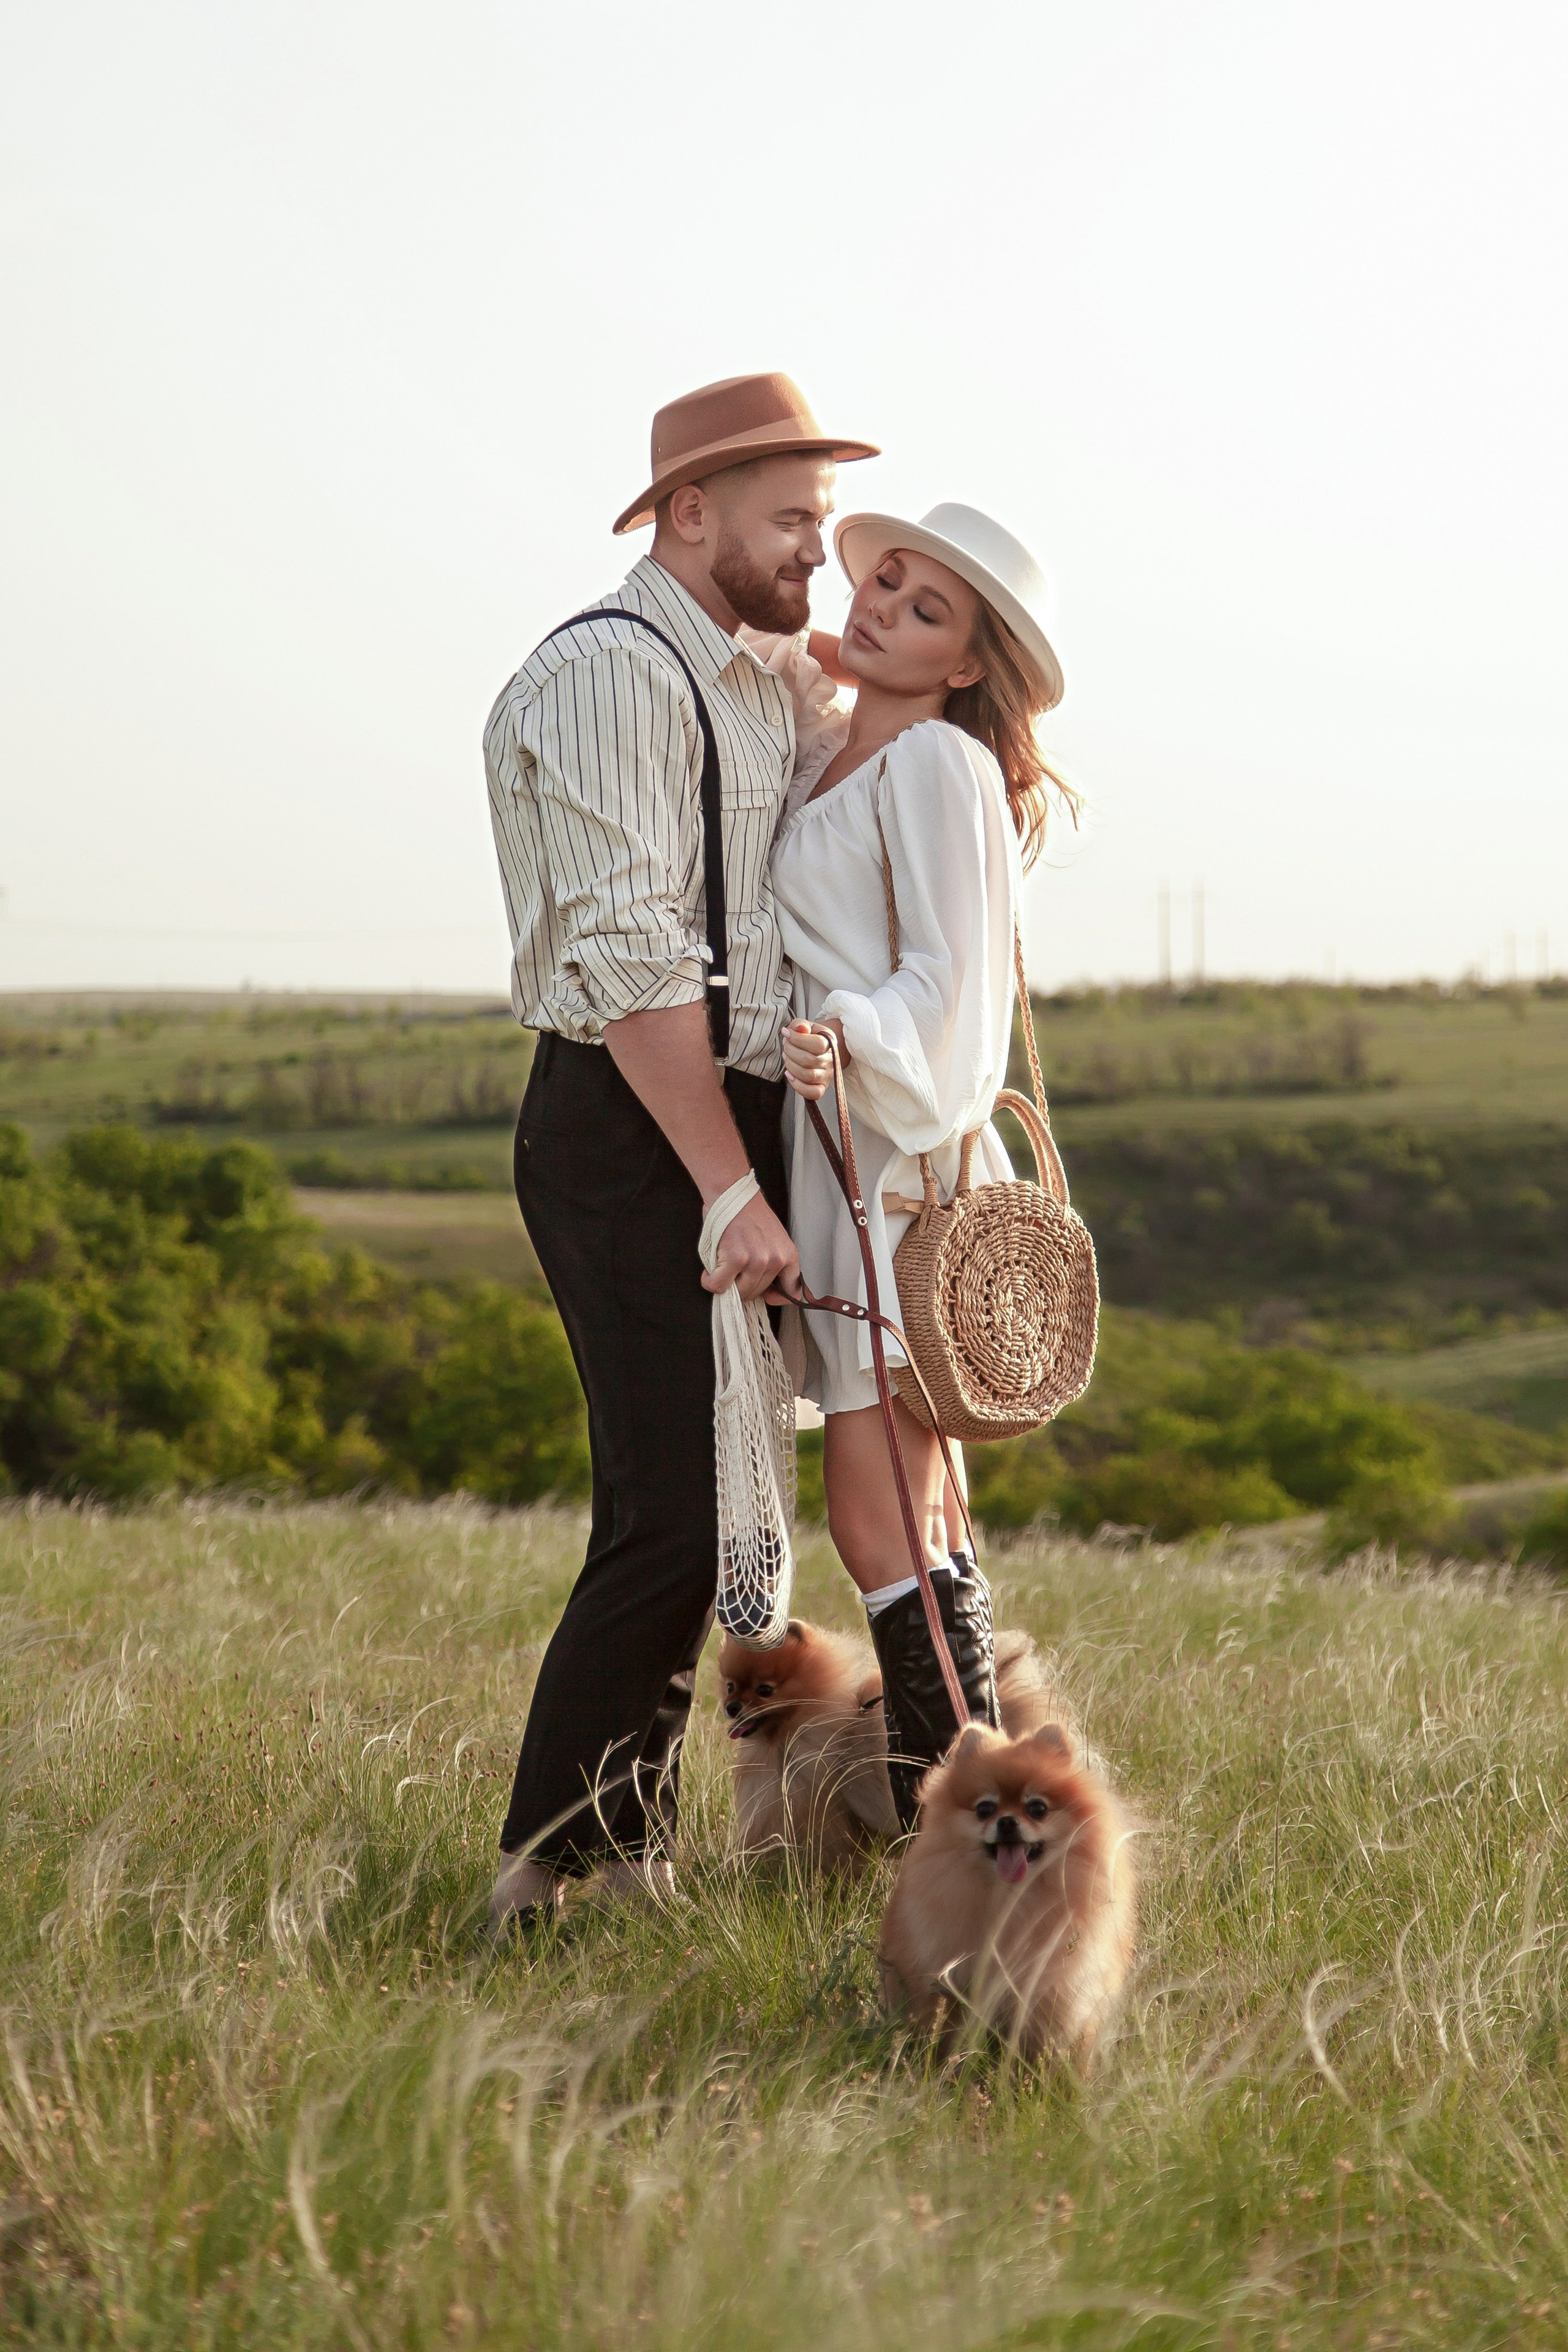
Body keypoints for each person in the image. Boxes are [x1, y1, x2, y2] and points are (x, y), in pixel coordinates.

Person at [482, 373, 876, 1928]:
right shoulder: (613, 674)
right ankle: (544, 1876)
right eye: (792, 521)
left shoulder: (755, 672)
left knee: (716, 1511)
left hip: (730, 1117)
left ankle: (624, 1855)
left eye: (823, 522)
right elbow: (641, 961)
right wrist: (725, 1186)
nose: (816, 552)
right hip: (632, 1122)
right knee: (665, 1510)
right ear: (688, 515)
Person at [764, 502, 1073, 1825]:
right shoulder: (833, 748)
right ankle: (982, 1809)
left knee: (877, 1504)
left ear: (960, 667)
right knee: (919, 1505)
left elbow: (951, 996)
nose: (883, 605)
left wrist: (844, 1027)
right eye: (884, 581)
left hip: (892, 1154)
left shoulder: (937, 767)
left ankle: (948, 1814)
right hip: (837, 1143)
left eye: (925, 609)